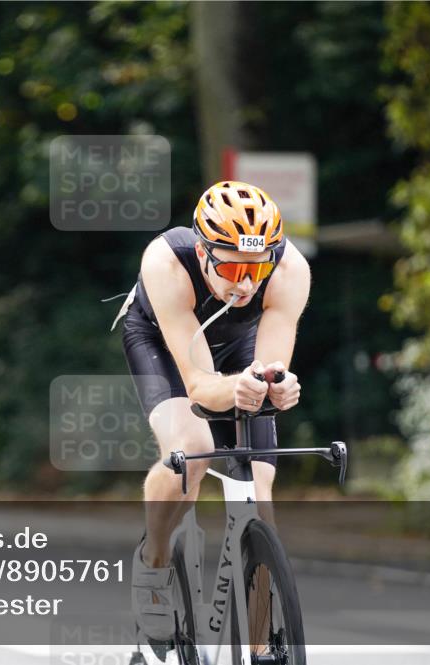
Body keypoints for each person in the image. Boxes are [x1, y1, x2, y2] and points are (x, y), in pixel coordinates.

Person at [114, 181, 310, 643]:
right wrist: (235, 389)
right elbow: (200, 385)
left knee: (260, 493)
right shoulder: (166, 263)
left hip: (237, 345)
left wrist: (276, 387)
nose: (245, 283)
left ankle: (260, 644)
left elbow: (270, 369)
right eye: (233, 267)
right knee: (192, 448)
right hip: (164, 343)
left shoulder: (290, 271)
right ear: (202, 252)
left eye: (256, 268)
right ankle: (155, 560)